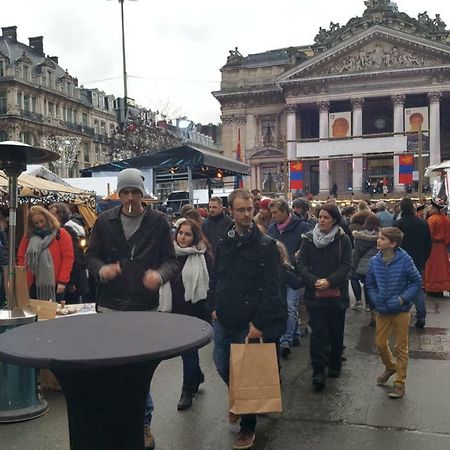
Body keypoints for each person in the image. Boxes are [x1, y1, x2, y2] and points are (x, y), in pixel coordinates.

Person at [86, 168, 177, 450]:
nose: (129, 198)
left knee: (139, 370)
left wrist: (159, 276)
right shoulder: (104, 221)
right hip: (110, 305)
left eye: (134, 192)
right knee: (112, 368)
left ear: (142, 194)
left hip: (143, 306)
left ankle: (143, 423)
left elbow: (171, 262)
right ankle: (116, 422)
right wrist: (101, 271)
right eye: (124, 193)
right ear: (118, 194)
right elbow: (90, 256)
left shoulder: (159, 222)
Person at [207, 188, 281, 450]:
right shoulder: (224, 241)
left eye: (250, 209)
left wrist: (259, 324)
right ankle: (237, 398)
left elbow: (273, 288)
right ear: (231, 211)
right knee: (221, 364)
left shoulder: (266, 245)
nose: (247, 214)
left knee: (247, 374)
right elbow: (217, 276)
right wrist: (212, 306)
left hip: (248, 322)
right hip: (223, 317)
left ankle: (247, 427)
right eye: (241, 210)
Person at [159, 219, 212, 410]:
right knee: (187, 352)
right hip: (174, 311)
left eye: (188, 234)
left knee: (188, 352)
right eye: (180, 233)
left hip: (194, 311)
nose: (183, 237)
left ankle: (187, 391)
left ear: (194, 236)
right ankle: (196, 375)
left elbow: (210, 284)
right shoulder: (169, 255)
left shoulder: (202, 256)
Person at [298, 203, 352, 391]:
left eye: (326, 217)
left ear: (335, 220)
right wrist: (314, 280)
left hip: (337, 295)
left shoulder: (343, 240)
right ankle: (318, 371)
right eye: (319, 216)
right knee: (318, 334)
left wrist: (330, 281)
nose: (321, 220)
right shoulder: (308, 239)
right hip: (315, 295)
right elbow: (301, 263)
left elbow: (346, 265)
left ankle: (335, 363)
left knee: (336, 333)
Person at [366, 227, 422, 399]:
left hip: (401, 311)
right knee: (380, 343)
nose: (378, 240)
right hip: (382, 309)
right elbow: (370, 284)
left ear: (393, 243)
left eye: (382, 239)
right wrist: (376, 299)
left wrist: (402, 300)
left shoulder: (405, 260)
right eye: (379, 237)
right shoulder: (374, 261)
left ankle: (400, 383)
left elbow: (416, 281)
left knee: (401, 347)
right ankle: (390, 367)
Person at [268, 198, 309, 358]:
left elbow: (305, 250)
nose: (273, 216)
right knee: (283, 305)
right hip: (277, 273)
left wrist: (295, 259)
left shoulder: (302, 227)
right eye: (271, 213)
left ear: (286, 211)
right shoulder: (272, 229)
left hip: (294, 272)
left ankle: (285, 339)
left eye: (276, 213)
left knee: (291, 306)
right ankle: (296, 334)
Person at [17, 205, 74, 302]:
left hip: (54, 284)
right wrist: (22, 280)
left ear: (47, 218)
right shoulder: (28, 237)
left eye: (41, 221)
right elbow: (21, 257)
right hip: (32, 283)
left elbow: (68, 258)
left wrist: (62, 281)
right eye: (36, 223)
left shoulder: (61, 234)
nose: (39, 225)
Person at [393, 198, 432, 328]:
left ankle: (402, 314)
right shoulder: (423, 223)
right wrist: (424, 258)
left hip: (400, 261)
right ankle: (421, 316)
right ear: (413, 208)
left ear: (401, 208)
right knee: (417, 288)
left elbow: (393, 245)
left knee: (400, 288)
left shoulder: (397, 224)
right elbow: (428, 244)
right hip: (418, 260)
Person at [49, 202, 89, 304]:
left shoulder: (67, 232)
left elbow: (76, 258)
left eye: (52, 214)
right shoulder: (51, 232)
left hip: (71, 281)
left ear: (60, 216)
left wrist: (71, 282)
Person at [351, 214, 380, 323]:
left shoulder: (359, 237)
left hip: (362, 266)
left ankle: (361, 302)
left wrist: (354, 265)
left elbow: (356, 254)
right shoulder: (381, 236)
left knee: (366, 285)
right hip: (376, 266)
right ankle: (372, 308)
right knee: (372, 288)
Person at [424, 200, 450, 296]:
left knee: (432, 268)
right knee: (442, 268)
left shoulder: (431, 220)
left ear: (435, 209)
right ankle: (442, 287)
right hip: (442, 247)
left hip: (433, 248)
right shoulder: (446, 219)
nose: (429, 209)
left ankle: (432, 288)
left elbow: (428, 235)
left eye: (430, 207)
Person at [0, 214, 8, 308]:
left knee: (2, 288)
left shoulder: (1, 233)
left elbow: (4, 248)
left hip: (2, 263)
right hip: (3, 262)